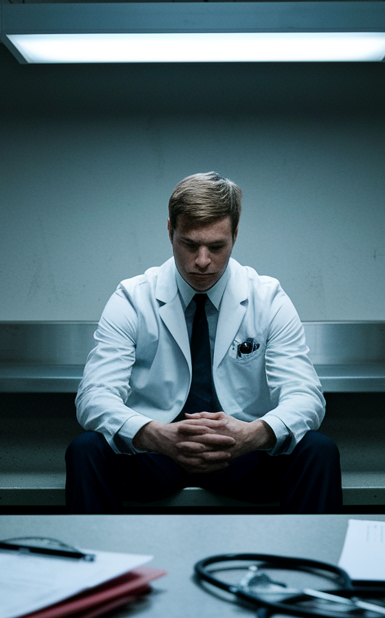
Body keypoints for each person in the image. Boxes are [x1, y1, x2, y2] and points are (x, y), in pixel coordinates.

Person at [66, 171, 342, 513]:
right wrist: (157, 434)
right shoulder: (133, 298)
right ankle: (97, 567)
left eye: (216, 246)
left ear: (235, 234)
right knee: (86, 450)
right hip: (157, 455)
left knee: (319, 450)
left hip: (241, 455)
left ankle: (309, 566)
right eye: (189, 244)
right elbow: (93, 397)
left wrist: (251, 434)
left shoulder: (267, 297)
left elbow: (306, 397)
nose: (202, 261)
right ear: (170, 231)